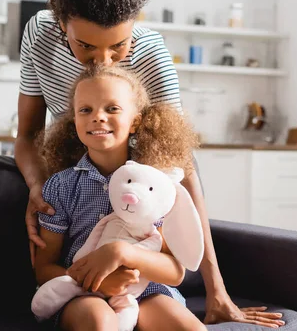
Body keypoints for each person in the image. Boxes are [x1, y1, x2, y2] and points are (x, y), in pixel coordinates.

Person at [15, 0, 284, 328]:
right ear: (61, 24)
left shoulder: (151, 54)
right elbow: (26, 135)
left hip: (138, 181)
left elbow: (183, 170)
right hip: (74, 177)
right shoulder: (38, 35)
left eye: (118, 46)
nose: (103, 64)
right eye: (86, 47)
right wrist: (37, 187)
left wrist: (216, 291)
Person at [35, 65, 205, 330]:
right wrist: (96, 281)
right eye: (86, 110)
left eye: (112, 109)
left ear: (135, 121)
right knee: (100, 322)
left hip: (147, 292)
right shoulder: (62, 186)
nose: (98, 117)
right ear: (75, 121)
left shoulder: (156, 186)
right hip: (82, 293)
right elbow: (43, 267)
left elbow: (175, 273)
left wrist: (121, 252)